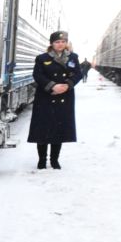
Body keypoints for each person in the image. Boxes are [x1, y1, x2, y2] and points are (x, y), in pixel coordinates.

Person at [28, 30, 91, 169]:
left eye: (63, 42)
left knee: (58, 129)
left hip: (65, 96)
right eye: (57, 42)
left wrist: (67, 85)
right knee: (43, 130)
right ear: (52, 43)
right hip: (45, 96)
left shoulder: (73, 57)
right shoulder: (42, 58)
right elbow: (37, 75)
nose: (60, 44)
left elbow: (78, 74)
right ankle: (42, 160)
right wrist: (52, 86)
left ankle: (54, 160)